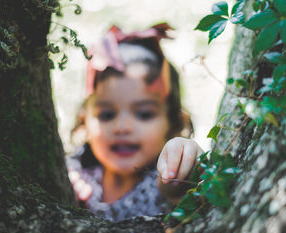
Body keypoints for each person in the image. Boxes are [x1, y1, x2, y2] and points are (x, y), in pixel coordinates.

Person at [67, 24, 203, 222]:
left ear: (174, 122)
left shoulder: (163, 182)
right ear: (84, 121)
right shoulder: (73, 173)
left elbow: (178, 187)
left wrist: (182, 161)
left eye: (144, 114)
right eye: (106, 115)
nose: (123, 127)